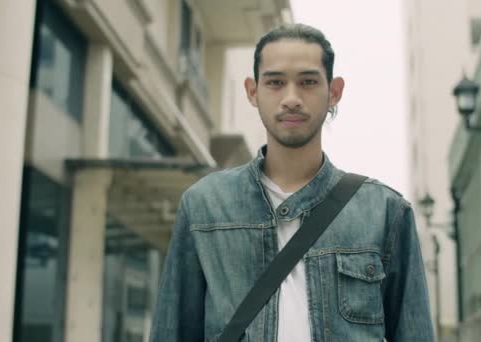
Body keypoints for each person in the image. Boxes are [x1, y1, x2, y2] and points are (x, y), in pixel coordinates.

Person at [149, 23, 434, 342]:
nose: (291, 98)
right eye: (275, 82)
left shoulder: (385, 212)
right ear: (252, 91)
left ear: (334, 91)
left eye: (308, 82)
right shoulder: (205, 206)